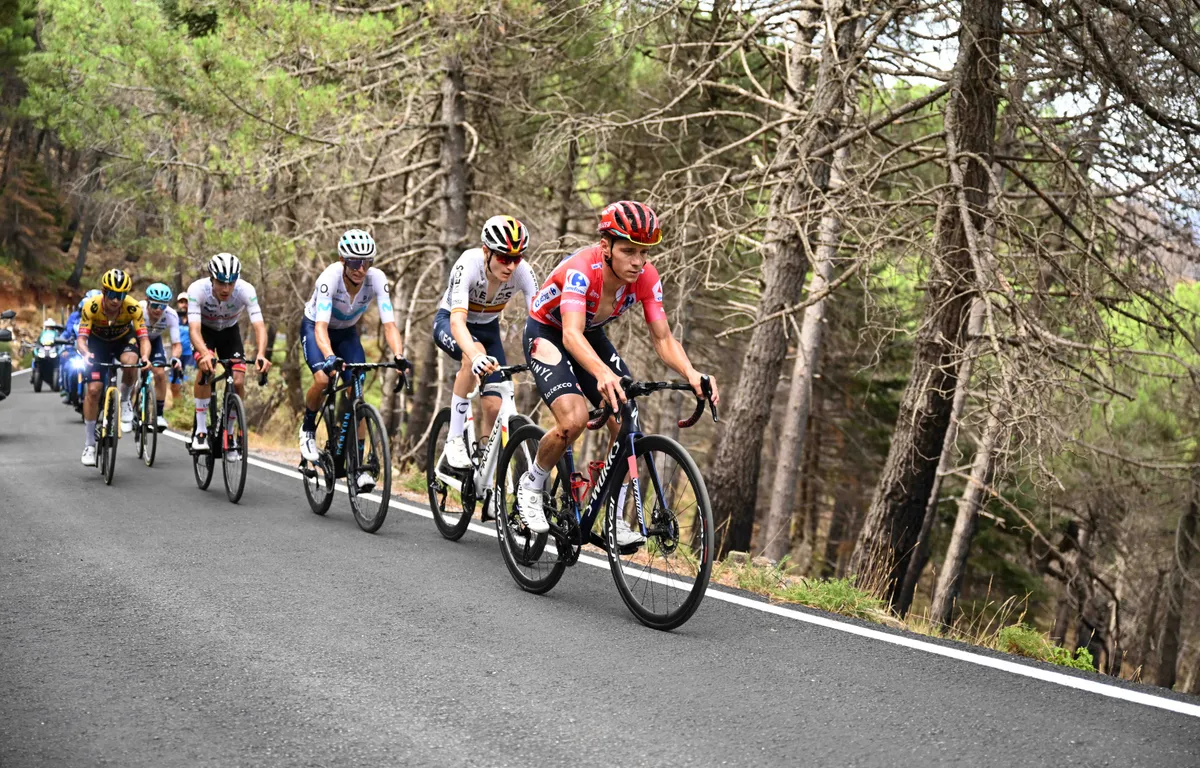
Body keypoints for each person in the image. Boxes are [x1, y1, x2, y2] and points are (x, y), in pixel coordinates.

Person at [517, 201, 719, 545]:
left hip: (589, 333)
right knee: (574, 419)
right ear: (606, 246)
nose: (638, 261)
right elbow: (569, 335)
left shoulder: (646, 277)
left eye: (644, 252)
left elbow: (663, 337)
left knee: (627, 420)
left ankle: (612, 514)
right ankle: (532, 484)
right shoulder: (583, 270)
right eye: (628, 251)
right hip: (548, 331)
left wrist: (691, 372)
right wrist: (601, 372)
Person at [298, 229, 407, 491]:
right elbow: (321, 329)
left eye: (366, 263)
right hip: (317, 328)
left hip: (347, 333)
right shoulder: (330, 278)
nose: (361, 269)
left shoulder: (377, 279)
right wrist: (330, 357)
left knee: (356, 390)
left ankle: (358, 466)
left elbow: (389, 325)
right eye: (355, 262)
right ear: (342, 260)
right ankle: (308, 427)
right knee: (323, 379)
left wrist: (400, 356)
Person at [433, 215, 538, 470]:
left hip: (488, 328)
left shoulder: (523, 272)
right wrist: (474, 355)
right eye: (503, 257)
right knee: (473, 355)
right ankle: (454, 439)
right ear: (486, 251)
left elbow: (539, 317)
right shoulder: (467, 264)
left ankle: (483, 464)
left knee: (494, 405)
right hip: (452, 322)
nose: (511, 266)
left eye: (517, 258)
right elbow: (458, 322)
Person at [186, 253, 271, 457]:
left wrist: (261, 353)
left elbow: (259, 326)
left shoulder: (246, 290)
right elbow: (194, 329)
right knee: (206, 369)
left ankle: (229, 432)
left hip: (229, 333)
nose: (226, 289)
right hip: (204, 332)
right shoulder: (197, 290)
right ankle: (200, 431)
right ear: (211, 278)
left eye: (231, 283)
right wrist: (205, 353)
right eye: (221, 283)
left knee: (239, 380)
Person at [75, 270, 151, 466]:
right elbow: (82, 338)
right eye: (112, 295)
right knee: (93, 390)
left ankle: (125, 399)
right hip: (97, 344)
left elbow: (143, 338)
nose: (116, 300)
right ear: (104, 291)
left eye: (121, 295)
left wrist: (145, 357)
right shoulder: (90, 306)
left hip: (122, 341)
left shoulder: (133, 307)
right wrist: (85, 353)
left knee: (131, 360)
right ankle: (90, 445)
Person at [139, 283, 184, 430]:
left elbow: (176, 344)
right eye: (155, 305)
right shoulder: (138, 309)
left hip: (154, 340)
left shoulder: (171, 315)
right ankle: (127, 402)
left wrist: (175, 358)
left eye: (163, 306)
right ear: (147, 300)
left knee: (159, 373)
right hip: (136, 339)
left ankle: (158, 415)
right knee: (131, 369)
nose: (159, 310)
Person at [170, 293, 193, 398]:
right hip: (176, 354)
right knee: (174, 380)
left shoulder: (194, 319)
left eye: (186, 302)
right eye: (181, 302)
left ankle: (186, 407)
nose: (184, 305)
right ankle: (177, 405)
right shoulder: (174, 318)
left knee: (188, 381)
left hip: (190, 355)